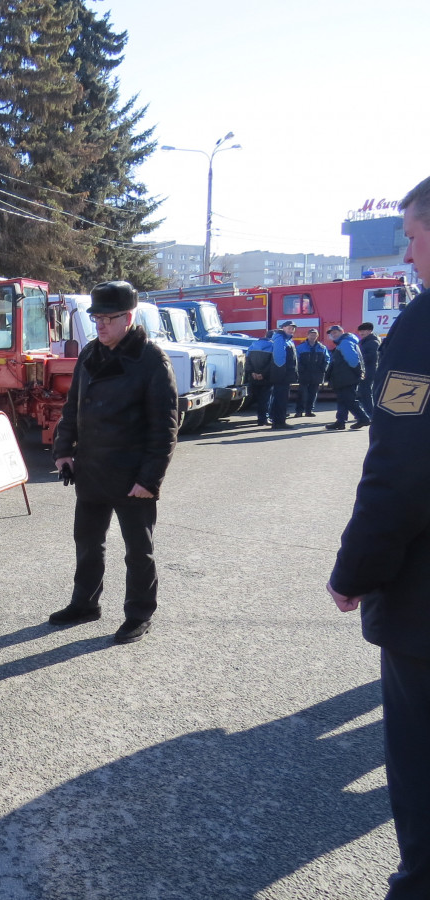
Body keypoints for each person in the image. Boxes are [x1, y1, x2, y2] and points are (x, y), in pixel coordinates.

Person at [326, 175, 430, 900]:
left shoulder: (421, 331)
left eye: (413, 234)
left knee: (422, 765)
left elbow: (400, 468)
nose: (408, 250)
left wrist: (353, 571)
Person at [48, 281, 178, 644]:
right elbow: (72, 407)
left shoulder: (151, 360)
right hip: (91, 470)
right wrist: (63, 450)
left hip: (132, 476)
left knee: (139, 551)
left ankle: (138, 614)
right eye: (97, 318)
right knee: (87, 543)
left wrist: (149, 479)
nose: (100, 325)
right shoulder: (90, 353)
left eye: (108, 318)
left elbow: (165, 427)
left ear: (129, 317)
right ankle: (85, 604)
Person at [323, 325, 370, 431]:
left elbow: (352, 359)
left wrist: (358, 372)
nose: (333, 335)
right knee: (343, 400)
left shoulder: (345, 342)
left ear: (342, 332)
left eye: (335, 332)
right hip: (345, 377)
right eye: (332, 333)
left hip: (346, 378)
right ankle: (340, 421)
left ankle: (363, 418)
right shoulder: (346, 341)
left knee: (349, 400)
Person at [268, 320, 298, 429]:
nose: (291, 330)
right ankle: (279, 422)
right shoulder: (280, 338)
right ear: (283, 328)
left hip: (285, 374)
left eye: (293, 328)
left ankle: (279, 421)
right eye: (289, 327)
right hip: (282, 375)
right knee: (280, 398)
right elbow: (279, 358)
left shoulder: (286, 339)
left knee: (282, 398)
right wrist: (281, 372)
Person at [295, 328, 330, 417]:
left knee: (313, 393)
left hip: (317, 374)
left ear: (317, 336)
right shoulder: (300, 347)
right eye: (311, 334)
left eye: (314, 334)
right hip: (304, 374)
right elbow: (296, 359)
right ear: (308, 335)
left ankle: (309, 411)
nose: (313, 336)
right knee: (302, 393)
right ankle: (299, 411)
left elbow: (327, 359)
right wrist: (301, 369)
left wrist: (323, 368)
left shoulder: (322, 348)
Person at [245, 334, 274, 425]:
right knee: (265, 399)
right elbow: (272, 363)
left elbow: (247, 361)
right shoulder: (273, 346)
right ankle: (264, 418)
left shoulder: (252, 345)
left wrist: (252, 373)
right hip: (267, 378)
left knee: (258, 399)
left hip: (253, 377)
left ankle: (260, 418)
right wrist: (263, 374)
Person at [357, 321, 380, 419]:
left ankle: (370, 413)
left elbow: (372, 357)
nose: (361, 333)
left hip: (369, 370)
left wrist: (358, 358)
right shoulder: (365, 341)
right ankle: (369, 412)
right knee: (364, 392)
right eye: (360, 331)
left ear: (370, 331)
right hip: (366, 370)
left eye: (364, 330)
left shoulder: (372, 342)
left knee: (365, 392)